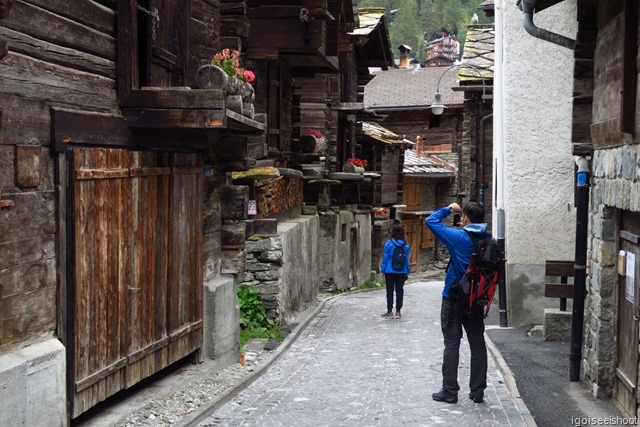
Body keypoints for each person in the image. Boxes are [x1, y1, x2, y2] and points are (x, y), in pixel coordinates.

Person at [425, 202, 489, 404]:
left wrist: (449, 209)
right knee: (477, 344)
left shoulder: (459, 238)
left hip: (454, 298)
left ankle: (450, 391)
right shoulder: (488, 240)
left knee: (452, 343)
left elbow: (431, 221)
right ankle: (478, 391)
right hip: (477, 300)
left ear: (466, 218)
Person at [379, 224, 411, 319]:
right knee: (399, 290)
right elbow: (406, 260)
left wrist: (383, 270)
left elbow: (385, 258)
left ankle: (389, 311)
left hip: (389, 270)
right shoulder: (406, 245)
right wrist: (407, 271)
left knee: (389, 290)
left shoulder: (388, 243)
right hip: (401, 271)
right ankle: (398, 311)